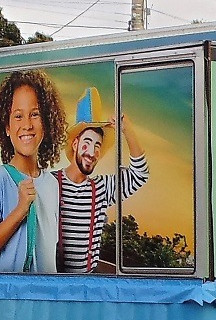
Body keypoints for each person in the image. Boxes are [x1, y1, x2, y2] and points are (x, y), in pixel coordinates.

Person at [0, 70, 66, 273]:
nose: (27, 125)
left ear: (46, 123)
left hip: (45, 300)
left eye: (34, 114)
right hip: (13, 300)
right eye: (18, 116)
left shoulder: (52, 185)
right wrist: (20, 210)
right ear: (6, 127)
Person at [53, 91, 149, 273]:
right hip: (56, 288)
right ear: (75, 144)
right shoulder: (50, 183)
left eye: (98, 146)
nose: (92, 152)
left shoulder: (102, 188)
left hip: (89, 288)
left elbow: (140, 174)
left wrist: (127, 130)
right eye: (87, 142)